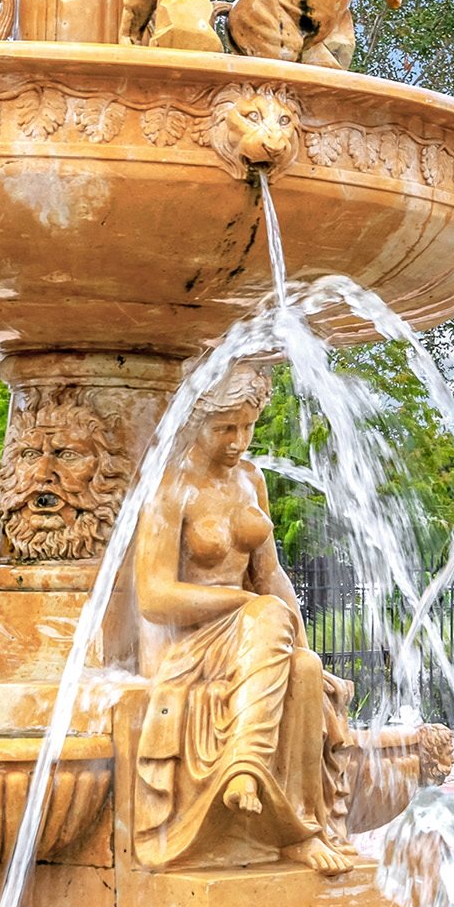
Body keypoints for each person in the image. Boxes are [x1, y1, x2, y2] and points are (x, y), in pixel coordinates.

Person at [129, 361, 355, 873]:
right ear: (194, 421)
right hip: (186, 641)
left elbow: (270, 576)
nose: (238, 441)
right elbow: (154, 597)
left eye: (248, 427)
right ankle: (246, 766)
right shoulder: (169, 486)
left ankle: (296, 830)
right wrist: (244, 605)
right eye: (225, 428)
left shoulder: (251, 480)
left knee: (306, 671)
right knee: (269, 620)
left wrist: (299, 643)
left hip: (252, 633)